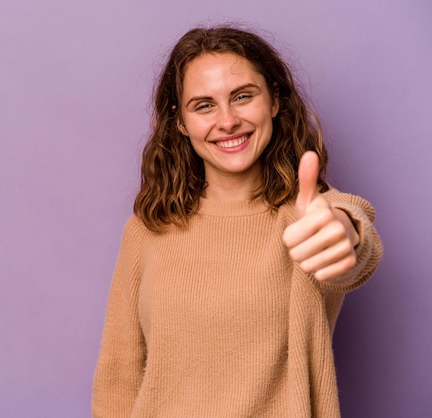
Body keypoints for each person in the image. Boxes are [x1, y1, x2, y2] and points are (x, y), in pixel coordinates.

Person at [91, 25, 383, 417]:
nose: (227, 121)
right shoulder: (148, 229)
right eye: (204, 105)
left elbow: (355, 236)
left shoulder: (307, 216)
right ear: (180, 123)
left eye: (243, 96)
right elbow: (119, 378)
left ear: (275, 101)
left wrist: (344, 231)